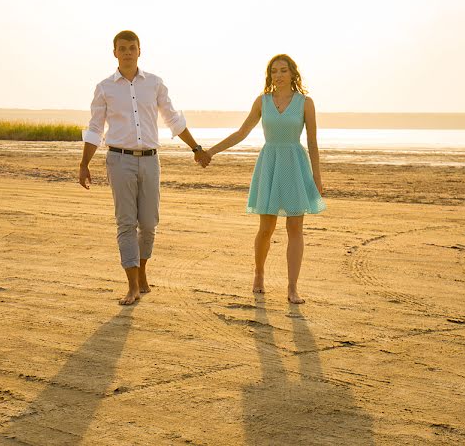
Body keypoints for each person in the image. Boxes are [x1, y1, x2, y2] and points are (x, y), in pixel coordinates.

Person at [79, 30, 210, 305]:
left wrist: (196, 149)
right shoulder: (104, 87)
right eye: (122, 48)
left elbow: (173, 119)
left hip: (150, 160)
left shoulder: (155, 84)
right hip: (119, 159)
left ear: (140, 51)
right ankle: (132, 285)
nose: (127, 52)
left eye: (132, 48)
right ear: (114, 52)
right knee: (126, 223)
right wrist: (84, 164)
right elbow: (95, 127)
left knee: (149, 224)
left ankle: (142, 272)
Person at [203, 54, 325, 303]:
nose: (278, 75)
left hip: (294, 165)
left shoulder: (305, 103)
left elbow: (312, 141)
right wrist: (211, 152)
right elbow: (241, 133)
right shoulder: (262, 101)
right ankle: (259, 273)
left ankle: (292, 288)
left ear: (293, 73)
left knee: (295, 228)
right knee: (266, 228)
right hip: (269, 164)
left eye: (283, 70)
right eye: (274, 71)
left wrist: (317, 176)